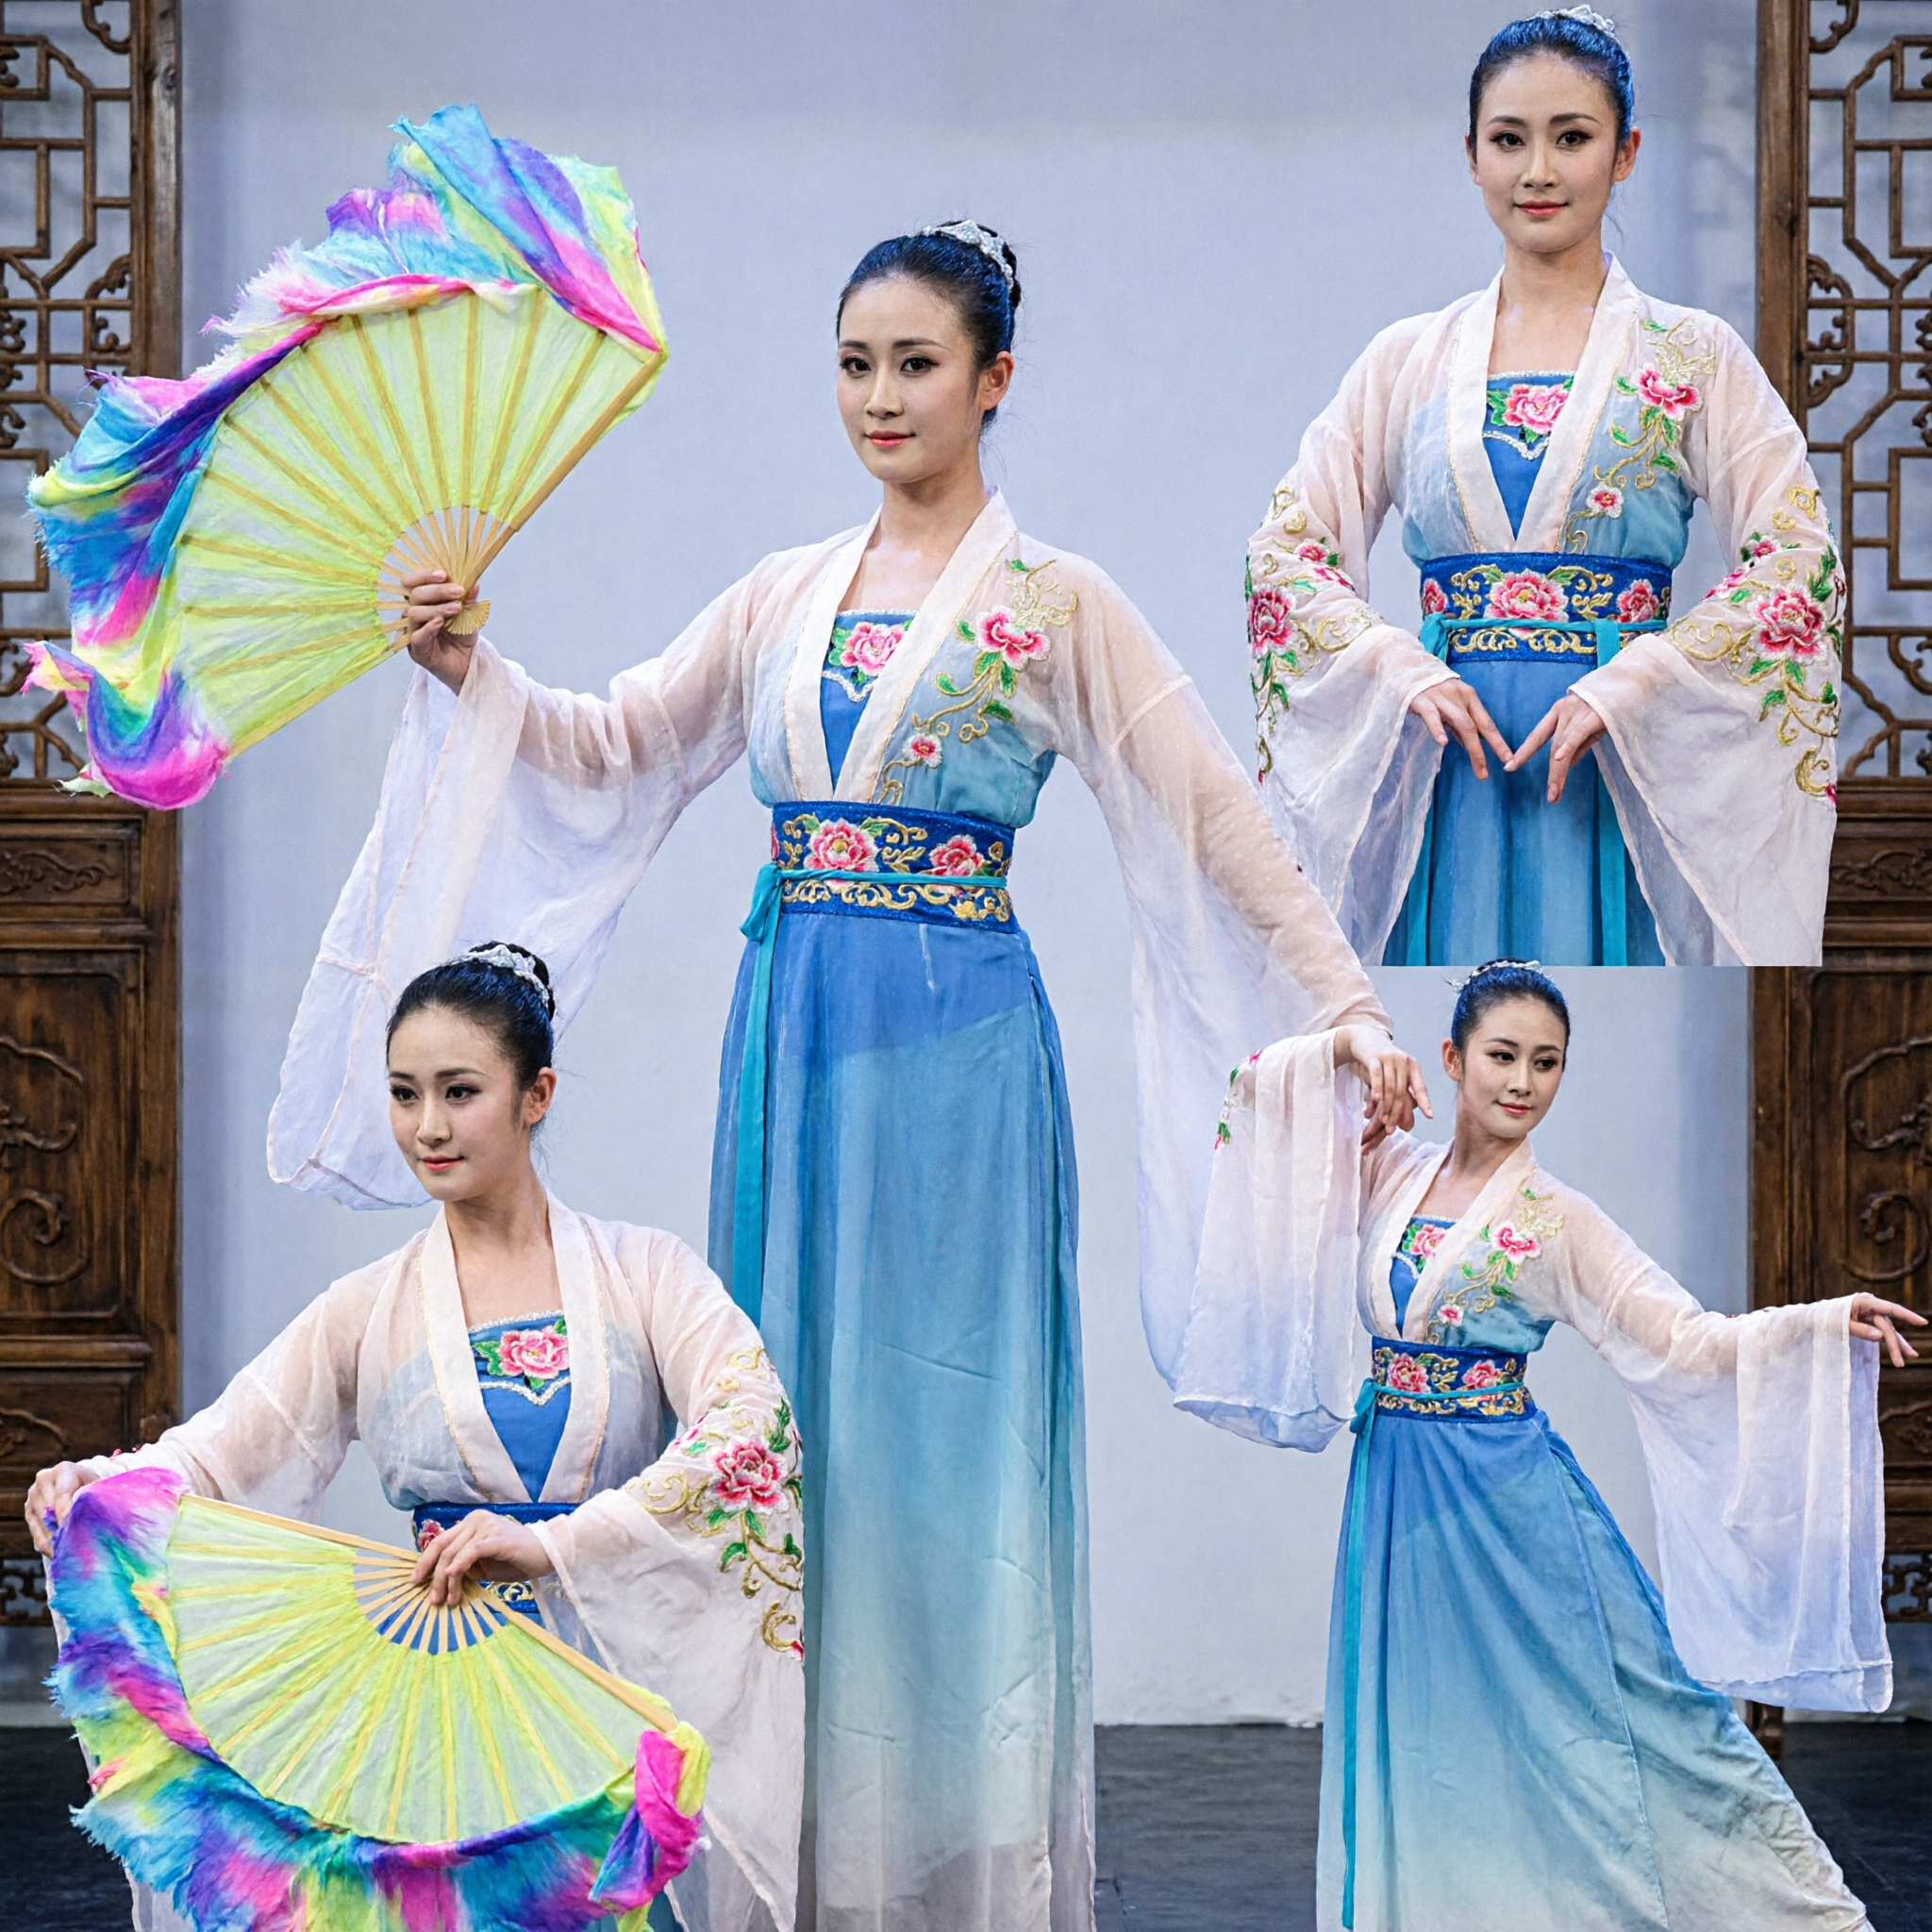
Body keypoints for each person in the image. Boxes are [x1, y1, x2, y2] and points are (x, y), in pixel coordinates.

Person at [265, 220, 1428, 1930]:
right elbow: (619, 750)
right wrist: (471, 671)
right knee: (781, 1434)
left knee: (944, 1464)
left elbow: (1208, 824)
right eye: (854, 363)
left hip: (957, 1067)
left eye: (916, 363)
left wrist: (1354, 1009)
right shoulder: (781, 592)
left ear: (993, 380)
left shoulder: (1054, 605)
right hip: (792, 1043)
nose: (879, 396)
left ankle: (947, 1869)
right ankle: (781, 1852)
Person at [28, 943, 802, 1932]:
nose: (426, 1126)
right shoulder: (368, 1308)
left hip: (604, 1669)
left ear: (537, 1094)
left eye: (459, 1089)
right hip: (440, 1677)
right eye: (403, 1093)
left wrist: (555, 1543)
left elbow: (751, 1419)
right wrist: (94, 1482)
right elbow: (227, 1448)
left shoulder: (645, 1271)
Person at [1179, 959, 1922, 1930]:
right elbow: (1251, 1108)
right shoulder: (1386, 1165)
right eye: (1500, 1055)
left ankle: (1784, 1908)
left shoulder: (1556, 1218)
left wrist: (1818, 1326)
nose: (1521, 1081)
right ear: (1449, 1059)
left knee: (1632, 1712)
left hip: (1508, 1501)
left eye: (1545, 1061)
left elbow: (1682, 1336)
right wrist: (1353, 1043)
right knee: (1425, 1728)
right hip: (1398, 1490)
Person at [1248, 8, 1841, 967]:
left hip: (1615, 756)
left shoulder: (1689, 355)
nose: (1537, 170)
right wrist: (1398, 668)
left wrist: (1638, 678)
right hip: (1450, 763)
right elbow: (1284, 552)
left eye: (1570, 138)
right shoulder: (1407, 359)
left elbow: (1796, 558)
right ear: (1471, 155)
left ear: (1624, 153)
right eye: (1508, 140)